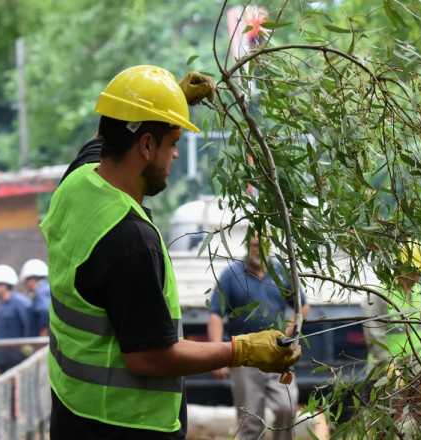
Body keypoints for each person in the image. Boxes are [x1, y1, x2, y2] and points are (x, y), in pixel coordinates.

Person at [43, 65, 299, 440]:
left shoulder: (77, 182)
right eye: (173, 142)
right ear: (146, 145)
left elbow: (110, 131)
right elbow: (149, 356)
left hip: (72, 411)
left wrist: (172, 101)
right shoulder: (130, 241)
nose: (176, 155)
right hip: (126, 426)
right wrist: (241, 350)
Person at [207, 235, 308, 440]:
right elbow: (216, 314)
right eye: (254, 245)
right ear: (247, 246)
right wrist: (217, 356)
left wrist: (288, 332)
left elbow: (302, 306)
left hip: (277, 353)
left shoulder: (280, 272)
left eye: (262, 245)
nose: (257, 249)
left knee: (286, 408)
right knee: (250, 421)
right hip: (245, 357)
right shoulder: (232, 275)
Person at [0, 264, 33, 372]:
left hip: (18, 360)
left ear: (4, 285)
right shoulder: (1, 306)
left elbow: (29, 326)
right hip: (3, 359)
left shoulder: (21, 303)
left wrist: (26, 349)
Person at [19, 258, 51, 336]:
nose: (25, 286)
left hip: (41, 339)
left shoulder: (40, 292)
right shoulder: (48, 289)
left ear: (32, 280)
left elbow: (44, 310)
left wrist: (43, 333)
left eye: (26, 282)